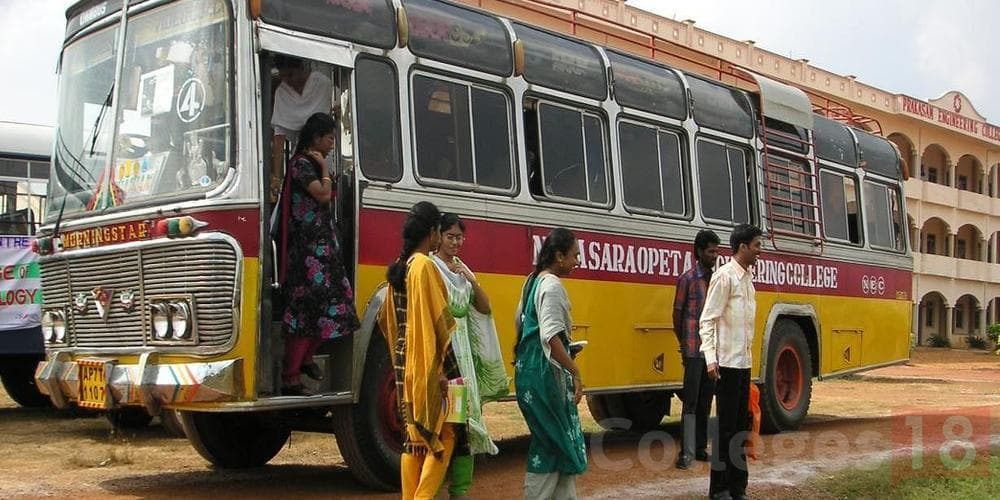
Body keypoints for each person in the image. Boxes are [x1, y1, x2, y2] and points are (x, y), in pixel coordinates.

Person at [382, 201, 462, 499]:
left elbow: (391, 323)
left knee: (413, 438)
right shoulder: (425, 267)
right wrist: (444, 372)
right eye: (442, 232)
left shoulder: (400, 267)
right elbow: (436, 323)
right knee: (446, 434)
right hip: (432, 364)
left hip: (406, 365)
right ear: (433, 233)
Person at [279, 112, 359, 396]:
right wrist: (325, 168)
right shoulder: (303, 164)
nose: (332, 143)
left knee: (338, 302)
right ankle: (291, 375)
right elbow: (323, 194)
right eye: (329, 138)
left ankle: (307, 359)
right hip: (307, 252)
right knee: (306, 311)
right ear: (315, 138)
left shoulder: (310, 163)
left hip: (323, 250)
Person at [430, 213, 509, 499]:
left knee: (465, 425)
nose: (455, 242)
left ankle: (460, 490)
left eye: (459, 237)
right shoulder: (431, 268)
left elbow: (485, 308)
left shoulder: (461, 269)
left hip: (464, 363)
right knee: (443, 426)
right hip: (444, 356)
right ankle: (432, 488)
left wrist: (472, 281)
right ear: (438, 236)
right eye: (450, 236)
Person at [514, 228, 587, 500]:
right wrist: (574, 370)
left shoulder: (532, 281)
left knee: (557, 443)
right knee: (552, 442)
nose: (577, 261)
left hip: (530, 372)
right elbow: (550, 336)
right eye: (574, 255)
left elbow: (521, 324)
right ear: (559, 256)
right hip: (547, 378)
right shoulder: (553, 285)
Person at [699, 224, 763, 500]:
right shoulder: (724, 277)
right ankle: (720, 489)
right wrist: (710, 359)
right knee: (725, 428)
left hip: (743, 362)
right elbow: (707, 320)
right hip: (724, 364)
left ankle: (738, 486)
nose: (760, 251)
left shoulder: (747, 279)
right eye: (757, 245)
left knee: (741, 425)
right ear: (742, 247)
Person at [674, 229, 721, 470]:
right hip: (693, 350)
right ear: (700, 252)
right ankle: (686, 452)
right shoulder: (688, 279)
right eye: (711, 251)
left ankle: (701, 448)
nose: (715, 256)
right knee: (690, 402)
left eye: (717, 251)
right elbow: (678, 314)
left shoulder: (716, 280)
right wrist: (684, 344)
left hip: (711, 352)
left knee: (705, 401)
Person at [270, 55, 332, 202]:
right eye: (283, 76)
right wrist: (276, 177)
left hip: (327, 153)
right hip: (302, 153)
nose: (287, 80)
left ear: (302, 68)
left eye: (290, 75)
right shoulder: (282, 92)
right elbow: (279, 135)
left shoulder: (322, 84)